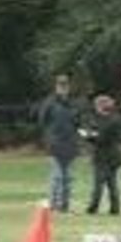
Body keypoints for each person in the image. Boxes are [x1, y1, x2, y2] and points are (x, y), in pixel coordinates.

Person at [38, 74, 82, 213]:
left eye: (65, 86)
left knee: (68, 179)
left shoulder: (73, 104)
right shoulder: (49, 103)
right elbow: (42, 121)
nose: (63, 88)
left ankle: (64, 206)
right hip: (54, 145)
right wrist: (50, 137)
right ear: (56, 87)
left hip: (70, 146)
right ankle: (53, 204)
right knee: (57, 177)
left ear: (69, 87)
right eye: (60, 85)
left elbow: (77, 123)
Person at [82, 94, 121, 215]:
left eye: (97, 106)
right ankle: (115, 208)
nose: (95, 108)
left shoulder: (110, 121)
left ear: (101, 106)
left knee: (98, 185)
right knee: (112, 185)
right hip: (114, 157)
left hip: (103, 157)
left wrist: (88, 137)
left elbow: (101, 138)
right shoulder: (116, 118)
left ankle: (93, 208)